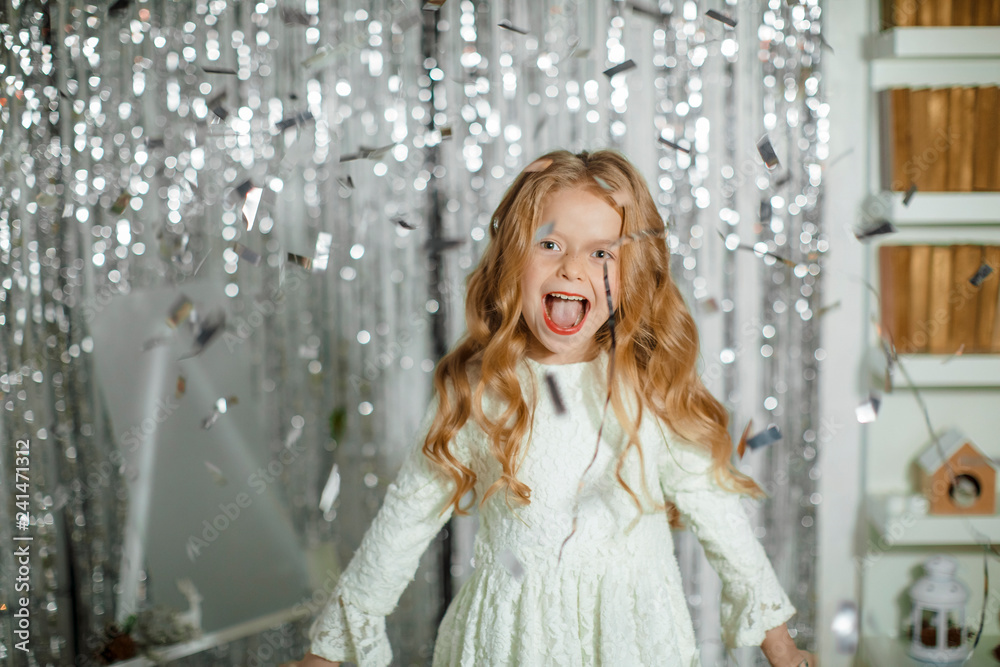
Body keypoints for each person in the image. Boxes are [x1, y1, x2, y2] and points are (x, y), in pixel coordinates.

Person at [283, 150, 816, 667]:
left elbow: (717, 513)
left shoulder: (648, 385)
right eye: (551, 244)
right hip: (510, 641)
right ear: (514, 256)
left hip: (633, 639)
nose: (572, 268)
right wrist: (326, 651)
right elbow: (405, 519)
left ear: (630, 275)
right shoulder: (481, 388)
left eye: (601, 252)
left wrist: (781, 648)